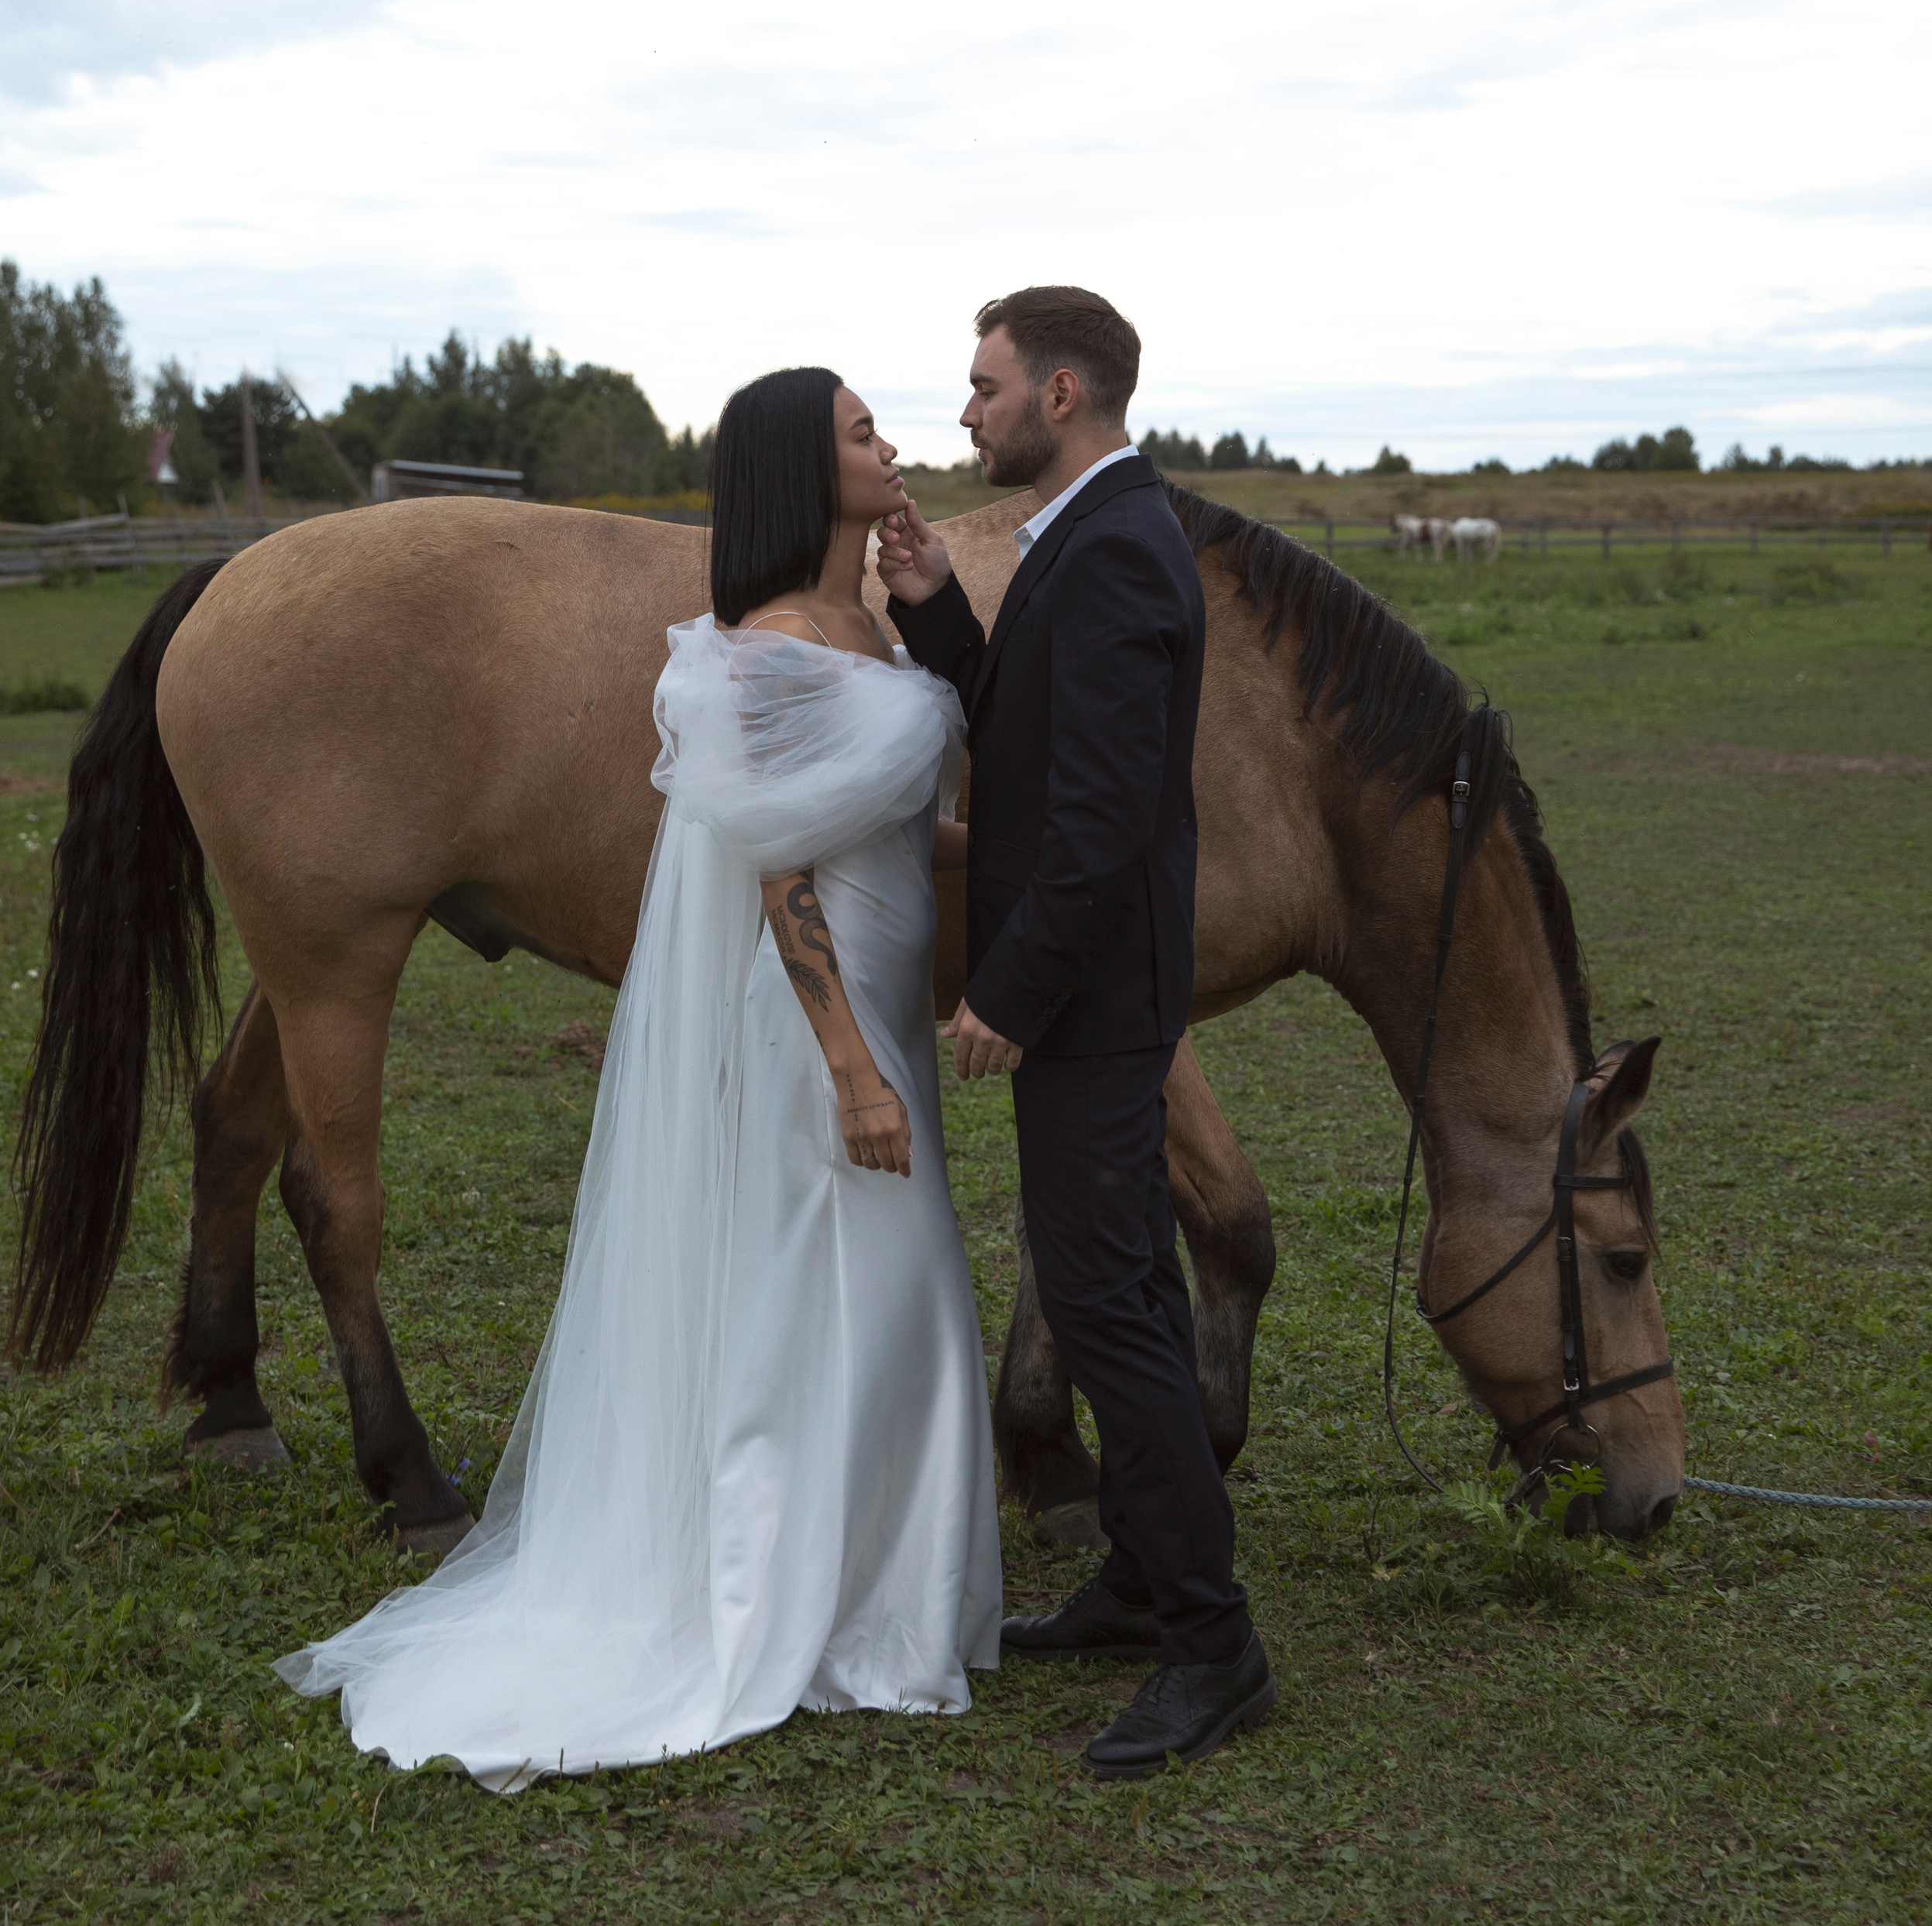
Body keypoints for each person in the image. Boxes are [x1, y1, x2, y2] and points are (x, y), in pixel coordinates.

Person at [276, 369, 1001, 1787]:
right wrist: (850, 1066)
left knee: (898, 1305)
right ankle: (768, 1607)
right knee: (817, 1299)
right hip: (821, 1027)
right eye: (865, 432)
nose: (895, 446)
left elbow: (903, 833)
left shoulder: (871, 622)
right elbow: (775, 867)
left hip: (889, 1009)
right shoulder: (764, 646)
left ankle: (874, 1604)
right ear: (807, 468)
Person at [877, 287, 1275, 1780]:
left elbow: (1102, 818)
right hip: (1101, 997)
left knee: (1106, 1303)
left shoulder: (1113, 550)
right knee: (1130, 1298)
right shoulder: (1088, 534)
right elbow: (1024, 727)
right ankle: (1139, 1578)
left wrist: (1010, 990)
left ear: (1060, 392)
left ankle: (1214, 1647)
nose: (964, 410)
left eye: (982, 386)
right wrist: (931, 602)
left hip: (1097, 1004)